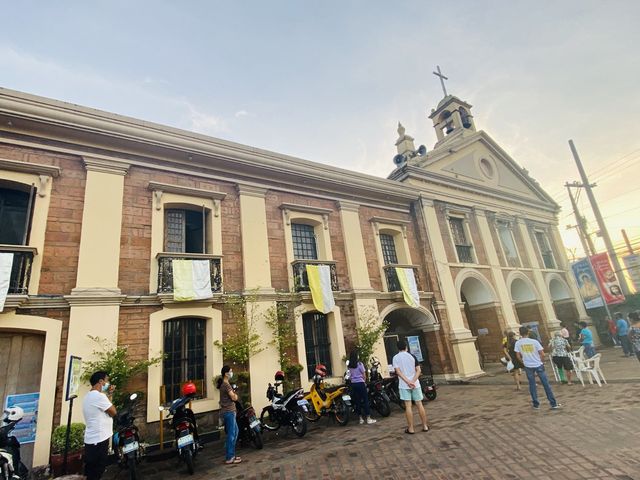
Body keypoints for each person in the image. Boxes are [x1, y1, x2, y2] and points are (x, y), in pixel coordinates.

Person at [515, 326, 560, 410]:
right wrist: (541, 361)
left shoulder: (518, 343)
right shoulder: (534, 342)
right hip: (538, 364)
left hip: (528, 365)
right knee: (546, 384)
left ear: (520, 333)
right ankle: (553, 403)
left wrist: (523, 362)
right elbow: (542, 354)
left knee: (532, 385)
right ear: (528, 333)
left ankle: (536, 404)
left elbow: (517, 356)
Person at [83, 371, 117, 480]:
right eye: (107, 381)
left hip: (92, 440)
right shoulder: (99, 396)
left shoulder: (88, 396)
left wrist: (110, 394)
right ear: (101, 381)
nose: (108, 383)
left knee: (92, 471)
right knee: (98, 470)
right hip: (99, 439)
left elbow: (107, 407)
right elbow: (113, 412)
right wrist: (109, 395)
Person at [392, 340, 429, 434]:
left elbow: (398, 372)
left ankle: (411, 428)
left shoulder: (395, 358)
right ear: (406, 347)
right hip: (415, 384)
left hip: (404, 385)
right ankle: (425, 426)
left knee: (408, 406)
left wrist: (407, 382)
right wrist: (412, 381)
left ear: (398, 348)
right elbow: (418, 370)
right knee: (419, 404)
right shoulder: (412, 356)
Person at [217, 365, 241, 465]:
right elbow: (234, 397)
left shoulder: (225, 384)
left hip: (229, 411)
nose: (232, 373)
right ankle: (230, 457)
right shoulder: (226, 385)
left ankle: (231, 454)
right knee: (231, 434)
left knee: (235, 432)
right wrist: (236, 395)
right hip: (229, 412)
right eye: (230, 371)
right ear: (226, 373)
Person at [348, 350, 376, 425]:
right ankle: (368, 418)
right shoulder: (360, 364)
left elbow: (350, 376)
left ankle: (360, 419)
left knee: (357, 401)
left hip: (354, 384)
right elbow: (364, 374)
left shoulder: (350, 366)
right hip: (360, 383)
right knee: (365, 400)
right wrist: (364, 381)